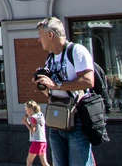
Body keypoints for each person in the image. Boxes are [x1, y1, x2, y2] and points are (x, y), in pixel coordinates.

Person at [35, 17, 95, 166]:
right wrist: (42, 85)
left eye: (40, 35)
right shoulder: (50, 59)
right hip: (56, 120)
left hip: (77, 120)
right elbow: (52, 93)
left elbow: (88, 81)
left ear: (50, 35)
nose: (39, 40)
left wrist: (57, 85)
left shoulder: (76, 51)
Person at [24, 100, 50, 166]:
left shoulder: (33, 117)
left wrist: (26, 123)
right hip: (43, 141)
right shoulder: (40, 115)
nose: (26, 112)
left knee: (29, 161)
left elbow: (33, 130)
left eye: (26, 110)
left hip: (36, 141)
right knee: (44, 162)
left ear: (30, 109)